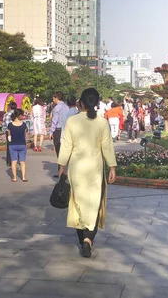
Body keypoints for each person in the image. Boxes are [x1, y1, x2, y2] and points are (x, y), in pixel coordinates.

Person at [58, 88, 117, 258]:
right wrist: (112, 167)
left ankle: (82, 239)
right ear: (97, 104)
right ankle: (88, 241)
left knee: (77, 205)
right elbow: (107, 147)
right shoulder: (102, 123)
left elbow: (66, 145)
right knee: (94, 206)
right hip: (95, 170)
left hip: (76, 169)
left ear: (81, 103)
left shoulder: (72, 122)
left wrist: (62, 165)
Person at [50, 92, 69, 177]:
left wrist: (51, 132)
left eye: (53, 98)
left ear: (56, 98)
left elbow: (55, 121)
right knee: (64, 150)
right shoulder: (66, 107)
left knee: (59, 151)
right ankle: (63, 171)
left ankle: (61, 172)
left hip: (58, 130)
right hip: (65, 129)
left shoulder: (57, 108)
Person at [7, 109, 29, 182]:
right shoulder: (24, 125)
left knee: (14, 161)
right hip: (22, 144)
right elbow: (25, 134)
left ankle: (14, 177)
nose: (23, 116)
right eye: (22, 115)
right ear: (19, 115)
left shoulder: (10, 125)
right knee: (22, 161)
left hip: (13, 145)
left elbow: (9, 135)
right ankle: (23, 177)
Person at [3, 102, 18, 167]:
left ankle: (9, 161)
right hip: (17, 131)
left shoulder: (6, 114)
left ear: (10, 107)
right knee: (18, 145)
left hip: (8, 131)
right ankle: (18, 159)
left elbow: (4, 124)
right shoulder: (17, 114)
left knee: (9, 146)